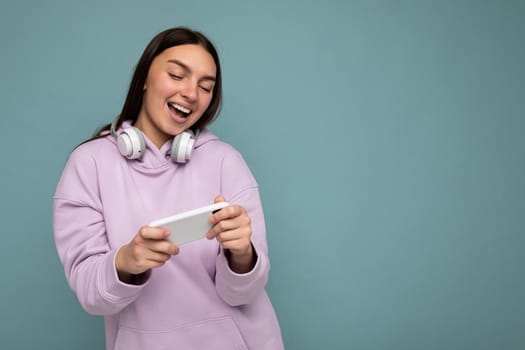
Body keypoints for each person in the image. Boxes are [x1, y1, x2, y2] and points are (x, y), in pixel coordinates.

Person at [53, 27, 284, 350]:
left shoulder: (225, 161)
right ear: (144, 79)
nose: (192, 93)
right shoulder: (88, 164)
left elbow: (244, 293)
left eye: (206, 87)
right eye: (177, 75)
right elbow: (93, 297)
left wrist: (242, 254)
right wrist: (127, 262)